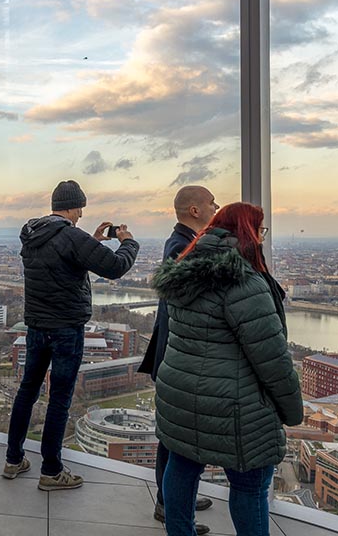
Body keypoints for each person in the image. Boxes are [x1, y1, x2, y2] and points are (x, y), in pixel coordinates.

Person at [152, 202, 303, 536]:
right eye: (260, 231)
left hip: (180, 393)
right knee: (250, 485)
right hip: (234, 404)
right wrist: (293, 411)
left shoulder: (183, 269)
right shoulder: (244, 283)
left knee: (181, 466)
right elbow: (272, 358)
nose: (262, 238)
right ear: (248, 233)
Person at [3, 180, 140, 491]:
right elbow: (116, 267)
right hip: (66, 329)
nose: (81, 214)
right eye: (80, 208)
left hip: (36, 327)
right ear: (74, 206)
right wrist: (128, 240)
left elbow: (62, 264)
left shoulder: (33, 234)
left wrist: (90, 241)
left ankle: (13, 459)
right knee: (59, 401)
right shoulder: (71, 235)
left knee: (27, 391)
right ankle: (51, 471)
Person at [138, 186, 219, 534]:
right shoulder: (182, 246)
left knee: (175, 434)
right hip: (176, 353)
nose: (217, 206)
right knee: (174, 436)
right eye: (212, 202)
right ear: (195, 210)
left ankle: (174, 498)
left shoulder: (180, 242)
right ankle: (170, 504)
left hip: (171, 351)